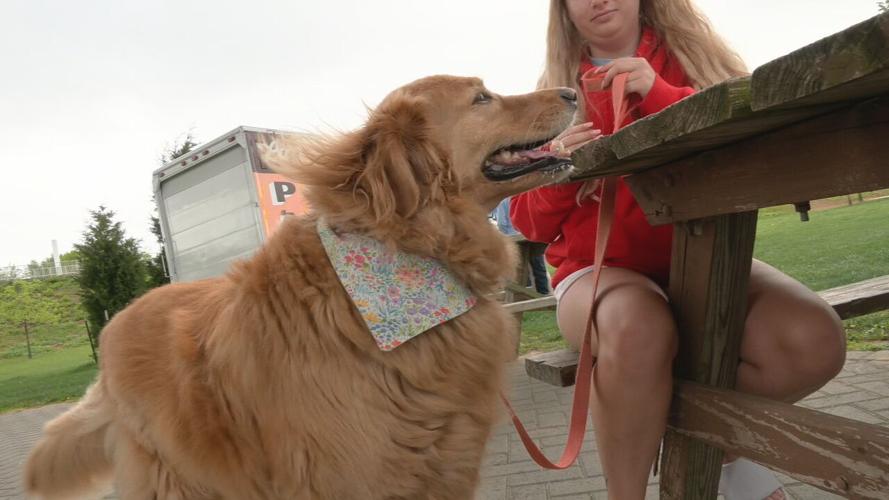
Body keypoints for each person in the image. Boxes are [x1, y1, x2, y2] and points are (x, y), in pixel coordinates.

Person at [509, 1, 847, 499]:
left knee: (813, 338)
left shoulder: (695, 60)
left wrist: (665, 95)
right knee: (635, 326)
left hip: (707, 255)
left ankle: (702, 443)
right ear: (563, 10)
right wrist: (562, 173)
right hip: (597, 270)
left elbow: (755, 152)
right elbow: (526, 221)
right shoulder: (555, 93)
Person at [492, 197, 550, 295]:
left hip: (515, 239)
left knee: (519, 268)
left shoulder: (504, 201)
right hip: (530, 236)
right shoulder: (526, 196)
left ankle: (524, 293)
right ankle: (543, 292)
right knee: (538, 265)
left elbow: (502, 223)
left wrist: (506, 237)